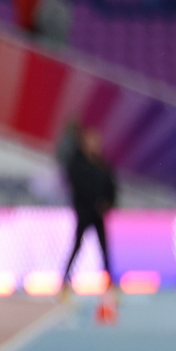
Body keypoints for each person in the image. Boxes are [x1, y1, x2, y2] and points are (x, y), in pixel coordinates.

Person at [61, 127, 116, 296]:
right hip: (85, 212)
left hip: (99, 214)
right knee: (77, 246)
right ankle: (64, 281)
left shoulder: (102, 164)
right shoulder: (77, 163)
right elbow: (78, 187)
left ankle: (110, 285)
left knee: (104, 248)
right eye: (92, 141)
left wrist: (108, 203)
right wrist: (92, 203)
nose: (95, 145)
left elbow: (111, 186)